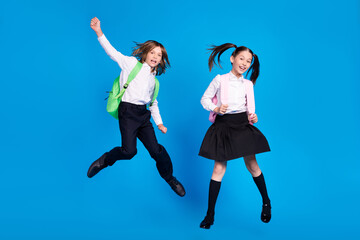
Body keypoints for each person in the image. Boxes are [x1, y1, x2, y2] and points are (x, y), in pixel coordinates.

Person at [87, 17, 185, 197]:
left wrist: (159, 123)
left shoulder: (154, 80)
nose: (156, 57)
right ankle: (104, 160)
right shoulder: (131, 64)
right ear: (146, 53)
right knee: (129, 151)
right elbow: (112, 53)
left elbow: (153, 103)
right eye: (153, 53)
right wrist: (99, 32)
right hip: (128, 112)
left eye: (159, 55)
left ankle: (170, 178)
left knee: (156, 150)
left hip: (143, 115)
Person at [199, 43, 271, 229]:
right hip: (224, 126)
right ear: (232, 58)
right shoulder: (219, 79)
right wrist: (215, 108)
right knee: (218, 168)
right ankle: (210, 214)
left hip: (242, 125)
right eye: (242, 59)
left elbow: (251, 110)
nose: (245, 63)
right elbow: (204, 99)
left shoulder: (248, 84)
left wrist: (253, 116)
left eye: (249, 61)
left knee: (252, 164)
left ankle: (266, 202)